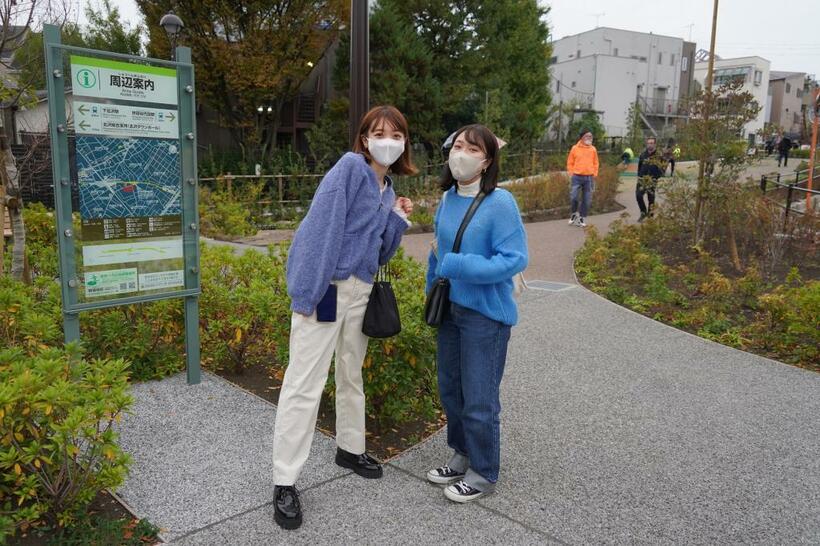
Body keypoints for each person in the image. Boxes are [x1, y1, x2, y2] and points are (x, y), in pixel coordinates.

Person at [272, 105, 416, 530]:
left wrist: (396, 219)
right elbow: (321, 231)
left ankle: (350, 448)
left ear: (404, 142)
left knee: (351, 373)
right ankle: (284, 481)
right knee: (305, 382)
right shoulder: (350, 170)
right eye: (378, 132)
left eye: (395, 134)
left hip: (361, 292)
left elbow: (379, 252)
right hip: (329, 291)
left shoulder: (386, 188)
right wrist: (308, 293)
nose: (386, 140)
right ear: (364, 138)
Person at [425, 124, 528, 503]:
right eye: (458, 145)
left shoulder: (500, 203)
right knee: (451, 389)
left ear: (486, 161)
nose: (461, 153)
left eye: (472, 148)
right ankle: (461, 454)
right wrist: (431, 295)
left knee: (480, 397)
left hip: (486, 315)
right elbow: (437, 255)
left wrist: (456, 265)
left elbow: (514, 259)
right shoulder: (448, 199)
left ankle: (484, 472)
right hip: (450, 309)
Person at [566, 128, 599, 227]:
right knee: (574, 197)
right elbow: (570, 162)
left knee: (586, 200)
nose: (590, 138)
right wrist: (571, 173)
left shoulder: (593, 149)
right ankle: (574, 214)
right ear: (582, 137)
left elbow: (596, 163)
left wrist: (595, 173)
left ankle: (581, 218)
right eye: (587, 136)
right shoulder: (575, 148)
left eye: (591, 136)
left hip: (588, 178)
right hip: (576, 177)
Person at [636, 136, 664, 221]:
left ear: (655, 144)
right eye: (648, 143)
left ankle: (650, 215)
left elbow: (663, 167)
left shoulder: (658, 155)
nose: (649, 145)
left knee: (650, 198)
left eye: (651, 143)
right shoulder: (643, 154)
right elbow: (639, 166)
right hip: (642, 179)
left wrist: (657, 176)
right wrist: (639, 176)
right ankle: (643, 212)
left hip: (652, 179)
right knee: (638, 195)